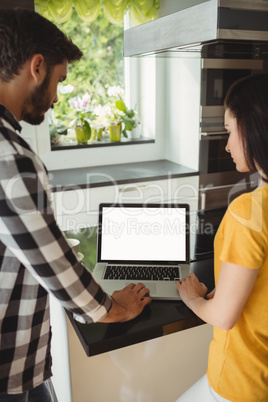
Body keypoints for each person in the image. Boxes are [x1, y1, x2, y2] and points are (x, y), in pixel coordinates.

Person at [0, 9, 151, 401]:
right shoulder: (9, 155)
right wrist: (114, 308)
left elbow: (36, 242)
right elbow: (57, 270)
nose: (55, 96)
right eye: (59, 80)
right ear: (37, 66)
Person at [175, 73, 268, 402]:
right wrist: (231, 289)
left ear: (253, 126)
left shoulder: (248, 210)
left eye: (230, 131)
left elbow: (224, 317)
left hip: (240, 382)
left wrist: (192, 299)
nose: (227, 145)